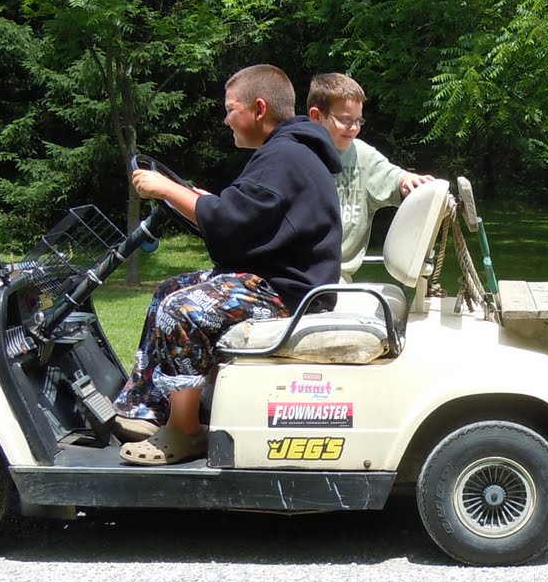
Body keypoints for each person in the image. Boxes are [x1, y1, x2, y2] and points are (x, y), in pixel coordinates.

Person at [112, 64, 342, 465]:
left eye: (230, 109)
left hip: (290, 293)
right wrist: (197, 199)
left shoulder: (284, 156)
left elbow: (231, 222)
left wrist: (168, 190)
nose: (225, 119)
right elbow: (247, 215)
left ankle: (186, 431)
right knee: (168, 290)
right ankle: (148, 406)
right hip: (275, 280)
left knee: (181, 310)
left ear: (258, 108)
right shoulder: (286, 152)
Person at [305, 72, 433, 281]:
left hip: (337, 278)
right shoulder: (295, 154)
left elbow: (396, 178)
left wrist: (409, 181)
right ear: (316, 116)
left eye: (358, 120)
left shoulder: (362, 155)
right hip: (300, 275)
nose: (355, 128)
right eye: (346, 120)